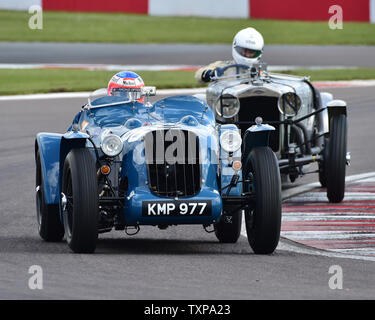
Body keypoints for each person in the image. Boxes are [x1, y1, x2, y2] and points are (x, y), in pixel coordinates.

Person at [195, 27, 264, 83]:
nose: (247, 55)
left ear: (258, 53)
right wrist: (211, 74)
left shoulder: (259, 72)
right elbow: (198, 75)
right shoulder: (222, 66)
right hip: (225, 99)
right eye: (244, 50)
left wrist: (258, 78)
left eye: (251, 52)